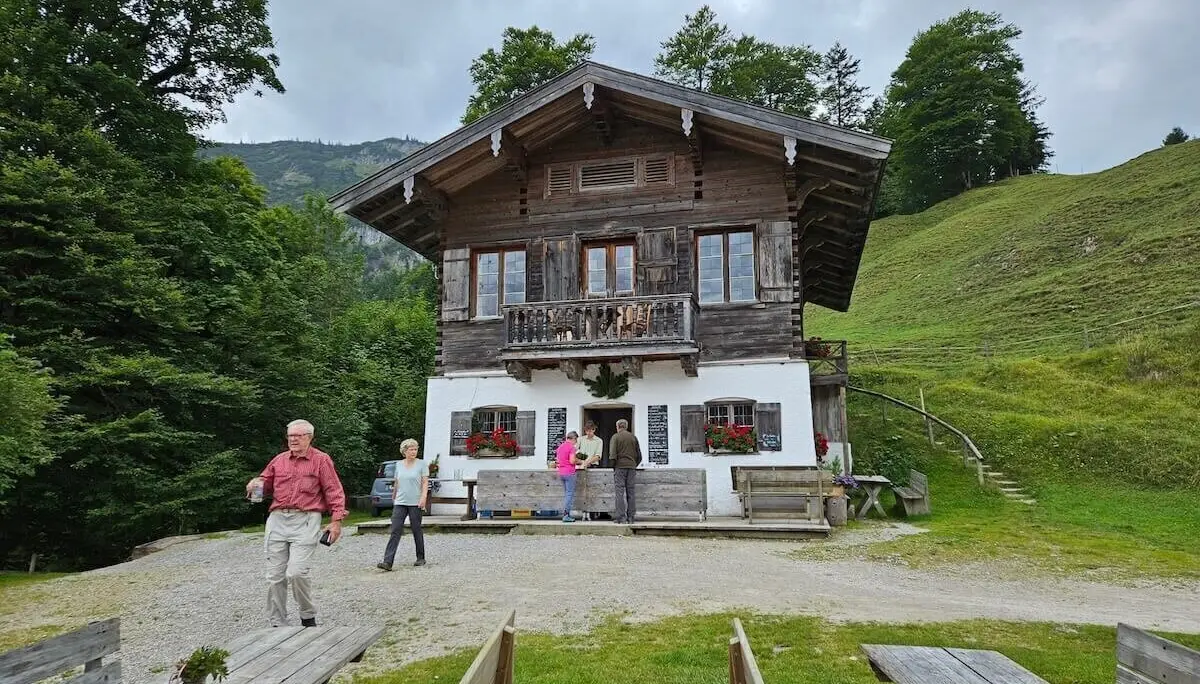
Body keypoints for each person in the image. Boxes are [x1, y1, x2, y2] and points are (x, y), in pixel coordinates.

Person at [245, 419, 347, 628]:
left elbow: (334, 491)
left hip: (307, 519)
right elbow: (265, 483)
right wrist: (256, 484)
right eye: (290, 436)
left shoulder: (321, 460)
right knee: (275, 576)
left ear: (309, 438)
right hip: (278, 519)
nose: (293, 439)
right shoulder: (279, 460)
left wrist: (336, 522)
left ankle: (307, 615)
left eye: (298, 436)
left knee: (297, 572)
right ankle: (277, 624)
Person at [377, 438, 428, 570]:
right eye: (411, 449)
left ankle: (420, 557)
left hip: (415, 501)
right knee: (395, 530)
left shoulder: (422, 464)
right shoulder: (399, 465)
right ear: (404, 451)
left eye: (415, 449)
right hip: (400, 501)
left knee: (416, 529)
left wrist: (423, 498)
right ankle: (388, 561)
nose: (414, 452)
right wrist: (394, 496)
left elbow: (424, 483)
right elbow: (397, 482)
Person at [609, 418, 642, 524]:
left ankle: (621, 517)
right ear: (626, 427)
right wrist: (633, 464)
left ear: (617, 426)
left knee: (619, 492)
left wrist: (613, 467)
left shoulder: (615, 437)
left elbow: (613, 454)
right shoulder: (633, 437)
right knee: (631, 492)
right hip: (631, 467)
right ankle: (631, 517)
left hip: (620, 467)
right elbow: (639, 456)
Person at [555, 431, 586, 522]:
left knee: (567, 494)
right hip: (569, 472)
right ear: (573, 438)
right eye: (576, 440)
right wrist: (581, 462)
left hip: (561, 472)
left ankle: (566, 514)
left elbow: (558, 460)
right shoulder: (571, 447)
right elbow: (572, 461)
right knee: (569, 494)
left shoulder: (560, 447)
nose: (576, 442)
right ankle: (566, 515)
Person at [575, 422, 603, 519]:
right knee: (583, 490)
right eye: (587, 430)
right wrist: (583, 460)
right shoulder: (580, 439)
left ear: (594, 430)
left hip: (593, 466)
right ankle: (584, 512)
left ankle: (593, 513)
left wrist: (588, 461)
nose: (589, 432)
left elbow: (598, 456)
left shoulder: (599, 441)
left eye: (591, 430)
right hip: (581, 467)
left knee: (593, 490)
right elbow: (574, 450)